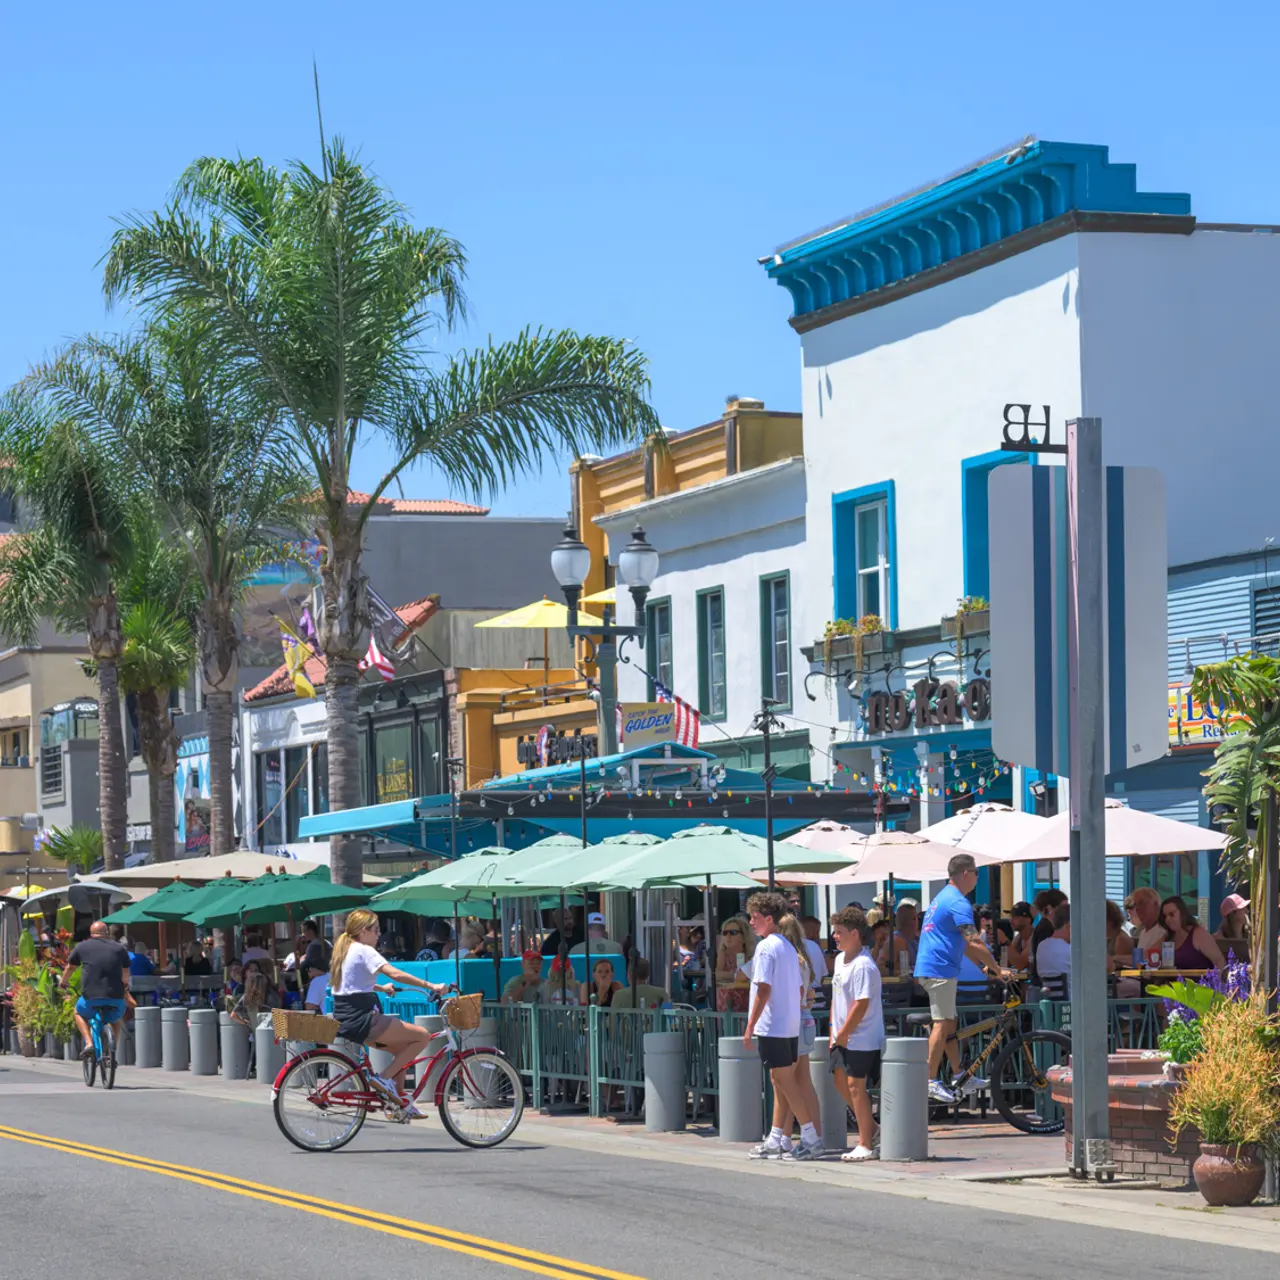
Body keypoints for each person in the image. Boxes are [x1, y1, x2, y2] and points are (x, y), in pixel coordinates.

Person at [330, 908, 454, 1118]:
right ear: (363, 931)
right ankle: (384, 1078)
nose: (379, 935)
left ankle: (398, 1103)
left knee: (402, 1050)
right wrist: (430, 985)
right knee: (422, 1036)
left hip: (346, 1017)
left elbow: (350, 984)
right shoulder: (364, 950)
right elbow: (395, 973)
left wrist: (380, 988)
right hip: (364, 1018)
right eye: (376, 930)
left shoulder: (346, 949)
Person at [914, 853, 1006, 1103]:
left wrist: (984, 967)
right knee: (942, 1024)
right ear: (966, 873)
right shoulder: (958, 902)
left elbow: (964, 945)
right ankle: (930, 1082)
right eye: (976, 873)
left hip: (937, 968)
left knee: (950, 1024)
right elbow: (974, 940)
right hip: (939, 969)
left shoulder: (944, 896)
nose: (978, 878)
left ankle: (959, 1076)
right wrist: (998, 970)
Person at [743, 892, 821, 1162]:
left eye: (754, 917)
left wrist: (750, 1024)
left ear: (768, 919)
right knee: (781, 1082)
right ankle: (776, 1138)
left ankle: (810, 1137)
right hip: (788, 1025)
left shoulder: (765, 947)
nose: (750, 922)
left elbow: (763, 989)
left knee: (784, 1082)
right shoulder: (788, 946)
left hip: (773, 1025)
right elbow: (799, 989)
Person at [829, 906, 884, 1161]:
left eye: (839, 932)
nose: (834, 936)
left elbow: (861, 1004)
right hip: (842, 1035)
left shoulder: (863, 965)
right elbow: (836, 998)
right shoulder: (840, 960)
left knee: (855, 1086)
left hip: (862, 1036)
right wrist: (833, 1030)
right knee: (840, 1082)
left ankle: (866, 1143)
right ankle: (872, 1129)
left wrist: (844, 1032)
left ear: (854, 933)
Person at [765, 914, 823, 1154]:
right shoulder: (805, 957)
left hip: (793, 1021)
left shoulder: (787, 958)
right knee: (800, 1081)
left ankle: (789, 1137)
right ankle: (800, 1135)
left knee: (783, 1081)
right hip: (806, 1018)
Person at [61, 921, 131, 1062]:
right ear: (107, 933)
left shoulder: (82, 947)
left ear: (91, 934)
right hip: (115, 997)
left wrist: (63, 981)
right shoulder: (119, 948)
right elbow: (125, 971)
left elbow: (70, 967)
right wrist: (125, 985)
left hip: (90, 997)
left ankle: (89, 1043)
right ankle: (111, 1052)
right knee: (115, 1019)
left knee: (78, 1012)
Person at [1160, 896, 1226, 971]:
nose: (1168, 919)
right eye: (1165, 916)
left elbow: (1219, 960)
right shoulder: (1167, 938)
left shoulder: (1198, 934)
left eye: (1171, 914)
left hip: (1200, 981)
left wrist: (1219, 981)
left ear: (1182, 913)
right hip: (1173, 981)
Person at [714, 916, 755, 1013]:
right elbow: (716, 975)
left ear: (744, 936)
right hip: (726, 1005)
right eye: (725, 933)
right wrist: (739, 975)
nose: (728, 936)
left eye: (733, 933)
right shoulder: (722, 954)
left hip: (747, 1002)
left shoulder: (752, 955)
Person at [1028, 889, 1067, 985]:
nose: (1067, 911)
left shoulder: (1046, 927)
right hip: (1044, 987)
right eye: (1063, 907)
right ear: (1050, 909)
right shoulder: (1045, 930)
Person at [1035, 902, 1072, 998]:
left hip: (1050, 1006)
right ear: (1069, 926)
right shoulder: (1071, 951)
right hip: (1073, 1005)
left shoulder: (1041, 946)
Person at [1127, 886, 1166, 960]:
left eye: (1141, 903)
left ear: (1156, 904)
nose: (1137, 908)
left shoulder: (1164, 931)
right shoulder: (1143, 932)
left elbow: (1145, 958)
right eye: (1135, 904)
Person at [799, 916, 830, 986]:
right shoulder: (815, 946)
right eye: (817, 931)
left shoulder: (791, 945)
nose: (817, 935)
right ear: (807, 931)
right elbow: (823, 975)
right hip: (816, 992)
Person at [891, 902, 919, 972]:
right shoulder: (895, 940)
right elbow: (882, 968)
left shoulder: (915, 941)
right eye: (917, 917)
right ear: (914, 919)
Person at [1007, 902, 1034, 971]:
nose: (1011, 920)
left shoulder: (1035, 937)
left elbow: (1020, 965)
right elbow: (1007, 962)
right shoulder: (1018, 938)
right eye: (1011, 916)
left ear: (1028, 919)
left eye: (1015, 917)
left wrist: (1005, 941)